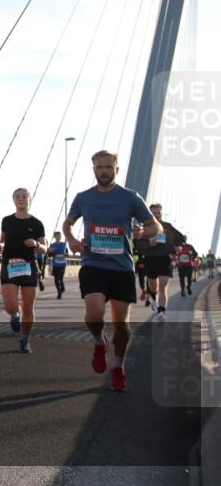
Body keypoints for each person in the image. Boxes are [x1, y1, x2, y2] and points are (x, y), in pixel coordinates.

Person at [64, 150, 160, 392]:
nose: (104, 171)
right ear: (93, 169)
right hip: (93, 264)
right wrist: (72, 239)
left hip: (122, 268)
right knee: (94, 315)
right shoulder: (83, 197)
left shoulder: (131, 198)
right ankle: (99, 342)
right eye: (99, 167)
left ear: (117, 169)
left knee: (121, 325)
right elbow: (68, 223)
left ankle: (118, 367)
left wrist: (143, 232)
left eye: (108, 167)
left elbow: (155, 226)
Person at [0, 188, 46, 354]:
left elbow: (45, 248)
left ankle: (25, 339)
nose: (21, 199)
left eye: (24, 196)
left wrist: (37, 245)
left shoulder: (37, 223)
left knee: (28, 308)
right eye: (17, 196)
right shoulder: (7, 220)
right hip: (9, 265)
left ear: (30, 199)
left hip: (29, 266)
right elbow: (2, 240)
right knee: (10, 306)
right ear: (13, 200)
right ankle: (14, 315)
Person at [134, 203, 186, 321]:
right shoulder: (144, 228)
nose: (157, 215)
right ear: (149, 213)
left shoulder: (168, 227)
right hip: (150, 259)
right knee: (154, 288)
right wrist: (149, 244)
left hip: (165, 258)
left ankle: (161, 312)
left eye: (158, 212)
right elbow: (137, 244)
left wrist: (179, 247)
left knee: (163, 286)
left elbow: (181, 239)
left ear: (161, 213)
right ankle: (154, 300)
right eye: (154, 213)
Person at [48, 231, 69, 299]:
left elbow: (67, 253)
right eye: (56, 236)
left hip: (62, 264)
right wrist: (50, 252)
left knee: (60, 278)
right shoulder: (52, 245)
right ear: (54, 237)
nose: (58, 237)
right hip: (55, 265)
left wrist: (66, 254)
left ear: (61, 237)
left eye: (59, 236)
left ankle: (61, 289)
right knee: (56, 280)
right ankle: (59, 291)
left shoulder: (64, 244)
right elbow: (49, 255)